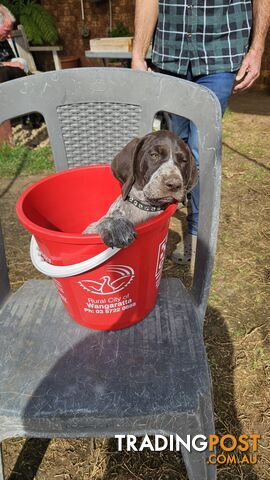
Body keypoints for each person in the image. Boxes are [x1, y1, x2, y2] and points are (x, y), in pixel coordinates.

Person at [132, 0, 270, 264]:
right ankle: (161, 218)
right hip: (171, 55)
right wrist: (138, 53)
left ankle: (197, 234)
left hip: (220, 54)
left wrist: (257, 48)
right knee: (174, 147)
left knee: (200, 149)